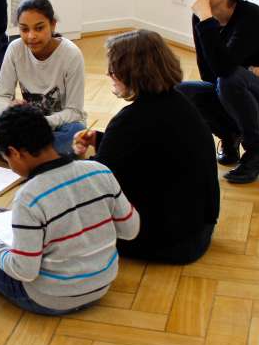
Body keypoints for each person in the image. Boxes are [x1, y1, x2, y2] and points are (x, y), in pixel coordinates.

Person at [0, 104, 139, 315]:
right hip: (101, 286)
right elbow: (130, 230)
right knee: (5, 216)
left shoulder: (29, 196)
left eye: (6, 158)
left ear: (14, 153)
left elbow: (24, 270)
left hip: (48, 299)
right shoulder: (99, 170)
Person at [73, 30, 219, 264]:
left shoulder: (130, 119)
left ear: (130, 73)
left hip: (169, 242)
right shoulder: (180, 101)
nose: (109, 75)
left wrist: (72, 164)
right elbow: (149, 152)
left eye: (113, 69)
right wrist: (101, 140)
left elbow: (97, 182)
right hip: (198, 228)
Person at [177, 0, 259, 184]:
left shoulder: (251, 17)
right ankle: (228, 136)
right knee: (180, 90)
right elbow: (208, 75)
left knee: (231, 78)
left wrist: (244, 72)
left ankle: (255, 152)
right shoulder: (202, 18)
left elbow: (223, 69)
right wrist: (251, 70)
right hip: (232, 93)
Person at [0, 0, 86, 155]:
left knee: (74, 134)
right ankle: (39, 153)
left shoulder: (71, 54)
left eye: (39, 28)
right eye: (24, 29)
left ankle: (7, 148)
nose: (31, 36)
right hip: (22, 123)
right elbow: (0, 96)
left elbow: (74, 111)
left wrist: (39, 122)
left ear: (52, 25)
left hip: (58, 124)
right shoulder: (15, 48)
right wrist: (10, 111)